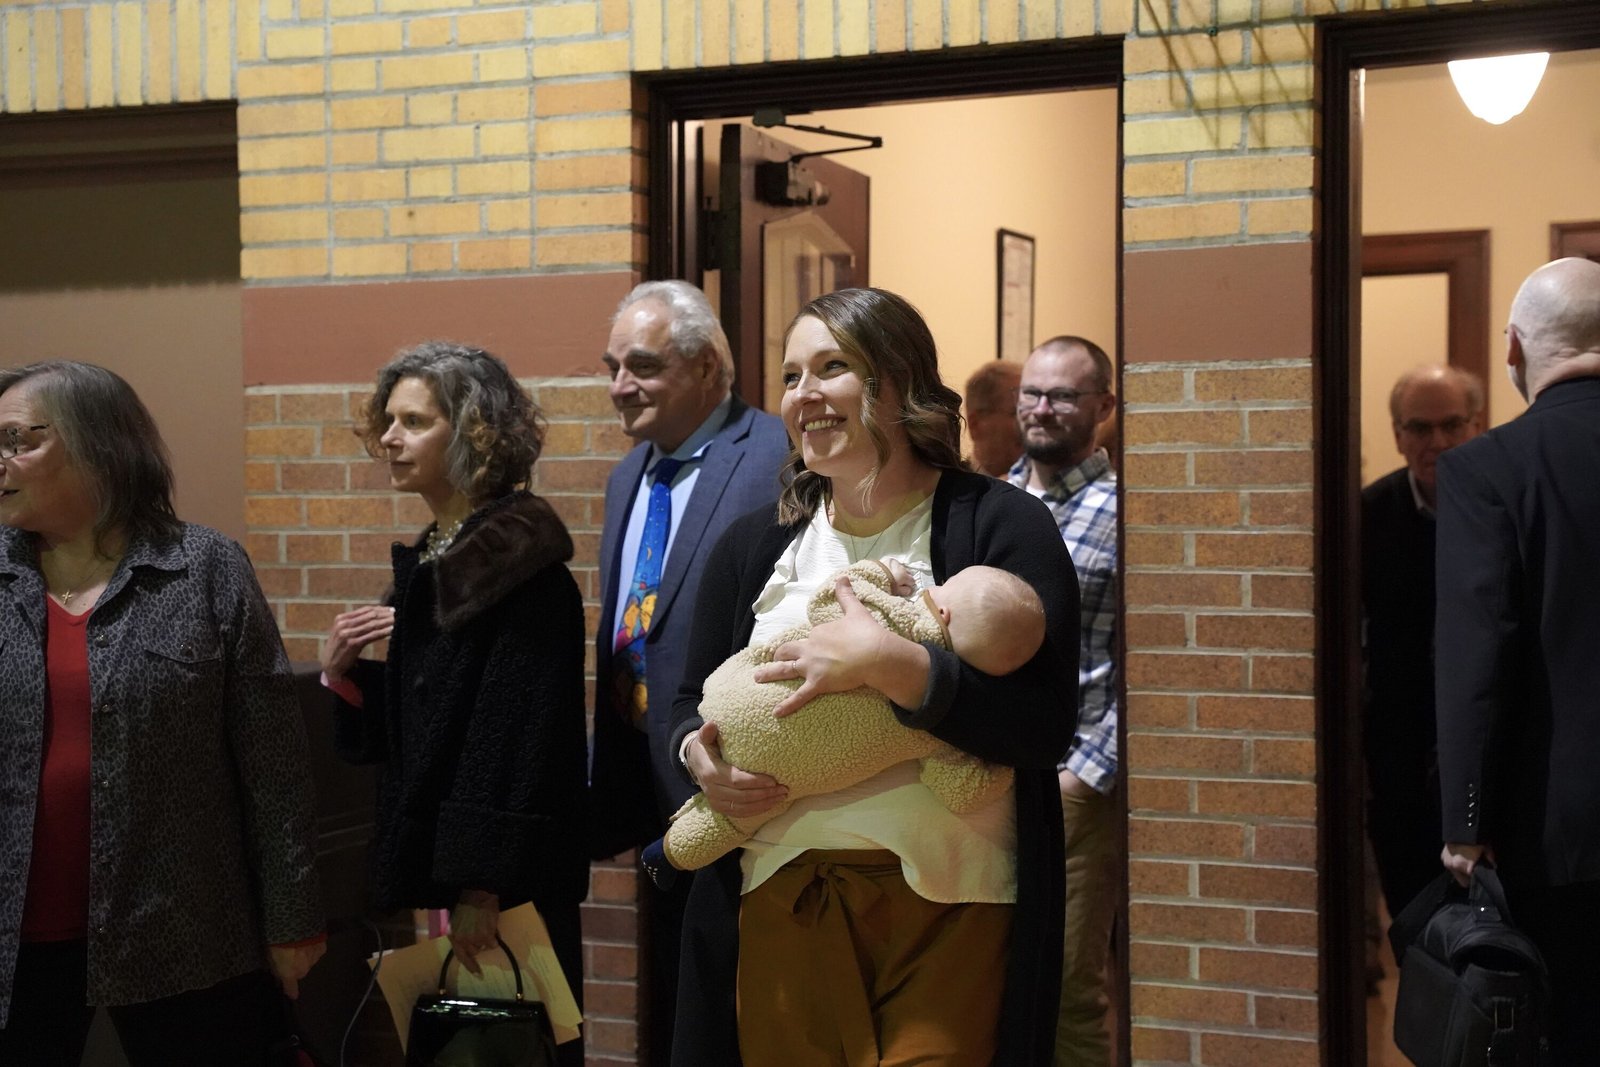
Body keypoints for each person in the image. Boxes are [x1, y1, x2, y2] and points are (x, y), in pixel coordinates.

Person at [668, 287, 1079, 1066]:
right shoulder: (752, 546)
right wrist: (698, 755)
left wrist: (900, 666)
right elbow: (688, 704)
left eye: (832, 367)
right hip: (780, 894)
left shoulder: (1001, 524)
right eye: (791, 376)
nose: (804, 394)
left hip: (956, 903)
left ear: (899, 383)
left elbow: (1044, 724)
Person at [0, 361, 325, 1065]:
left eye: (17, 439)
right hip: (16, 942)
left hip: (182, 931)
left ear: (97, 444)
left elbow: (274, 765)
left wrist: (292, 916)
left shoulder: (204, 568)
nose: (1, 461)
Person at [319, 342, 589, 1064]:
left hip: (502, 879)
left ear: (475, 433)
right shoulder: (439, 553)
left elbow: (516, 734)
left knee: (518, 1046)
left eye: (414, 422)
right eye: (388, 420)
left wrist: (483, 882)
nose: (390, 438)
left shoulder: (520, 567)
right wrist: (346, 678)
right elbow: (428, 722)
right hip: (455, 868)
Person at [586, 280, 789, 1061]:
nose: (619, 386)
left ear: (707, 366)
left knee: (734, 1003)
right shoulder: (629, 474)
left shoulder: (774, 455)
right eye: (612, 367)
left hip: (739, 778)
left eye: (641, 366)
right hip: (647, 774)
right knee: (674, 987)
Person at [1435, 257, 1600, 1064]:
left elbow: (1478, 656)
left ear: (1513, 348)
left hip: (1556, 832)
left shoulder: (1488, 467)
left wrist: (1466, 823)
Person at [648, 559, 1044, 875]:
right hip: (773, 782)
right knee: (735, 819)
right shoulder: (941, 728)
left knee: (742, 797)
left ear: (942, 610)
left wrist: (880, 572)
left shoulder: (893, 619)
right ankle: (667, 855)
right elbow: (963, 792)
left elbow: (830, 598)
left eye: (943, 584)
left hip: (734, 698)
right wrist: (994, 764)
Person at [1009, 335, 1121, 1066]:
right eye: (1032, 392)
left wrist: (1086, 773)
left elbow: (1146, 662)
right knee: (992, 978)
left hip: (1074, 786)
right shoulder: (993, 502)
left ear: (1103, 407)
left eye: (1062, 395)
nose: (1042, 409)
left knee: (1069, 991)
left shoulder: (1123, 513)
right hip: (984, 778)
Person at [1360, 364, 1483, 919]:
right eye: (1419, 427)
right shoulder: (1366, 514)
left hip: (1488, 741)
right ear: (1397, 435)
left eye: (1451, 425)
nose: (1437, 441)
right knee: (1413, 911)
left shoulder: (1504, 503)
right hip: (1398, 747)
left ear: (1476, 426)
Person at [964, 359, 1024, 478]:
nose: (1031, 423)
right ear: (975, 425)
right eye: (1018, 414)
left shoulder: (1049, 485)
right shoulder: (945, 486)